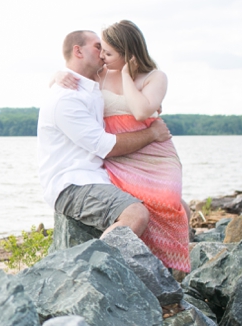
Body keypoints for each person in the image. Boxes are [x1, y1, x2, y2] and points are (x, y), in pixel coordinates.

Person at [53, 21, 190, 272]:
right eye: (101, 51)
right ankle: (110, 270)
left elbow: (140, 110)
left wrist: (127, 74)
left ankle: (164, 270)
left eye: (108, 53)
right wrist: (57, 75)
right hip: (119, 154)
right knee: (138, 206)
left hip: (154, 153)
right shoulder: (101, 73)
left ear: (127, 53)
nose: (102, 57)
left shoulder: (155, 77)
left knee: (171, 203)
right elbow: (71, 78)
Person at [38, 29, 172, 241]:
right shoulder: (66, 98)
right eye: (97, 46)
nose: (103, 53)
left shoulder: (91, 86)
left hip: (101, 175)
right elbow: (105, 146)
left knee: (168, 208)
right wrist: (152, 133)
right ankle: (101, 268)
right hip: (73, 183)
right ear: (78, 51)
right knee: (135, 214)